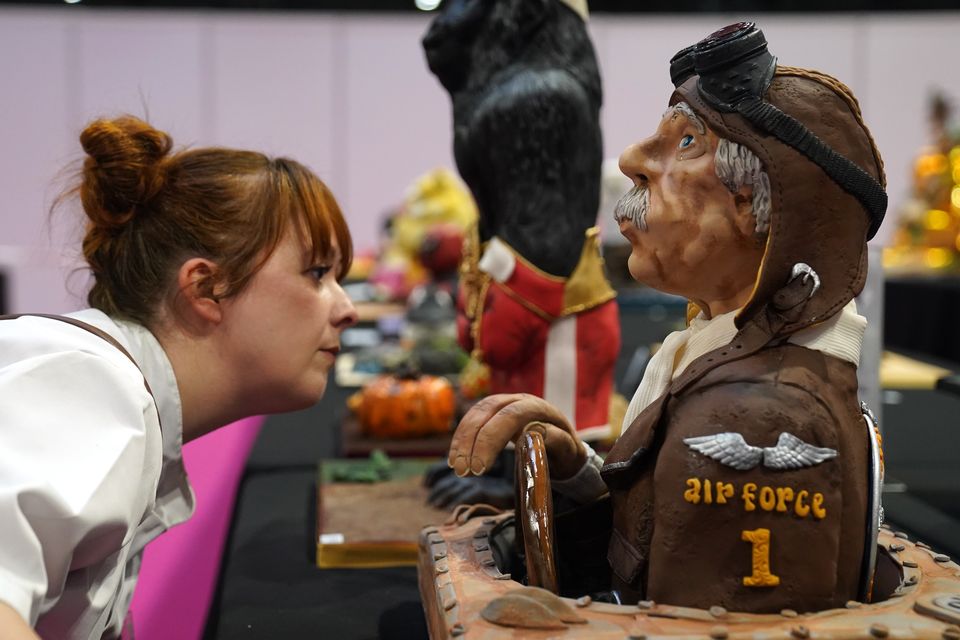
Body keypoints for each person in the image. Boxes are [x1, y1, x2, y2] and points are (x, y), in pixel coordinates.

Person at [446, 23, 886, 613]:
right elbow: (654, 538)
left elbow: (677, 625)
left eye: (686, 143)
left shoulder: (761, 416)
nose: (632, 160)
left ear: (758, 208)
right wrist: (578, 470)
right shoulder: (722, 356)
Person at [0, 116, 358, 639]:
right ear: (207, 288)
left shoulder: (110, 385)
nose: (347, 308)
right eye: (317, 273)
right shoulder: (96, 389)